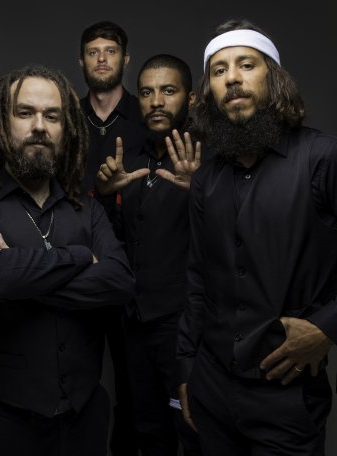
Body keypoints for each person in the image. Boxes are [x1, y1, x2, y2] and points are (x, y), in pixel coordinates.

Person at [177, 19, 337, 455]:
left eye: (246, 65)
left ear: (273, 78)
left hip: (286, 394)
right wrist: (187, 369)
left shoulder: (328, 159)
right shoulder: (206, 180)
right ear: (209, 92)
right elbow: (198, 277)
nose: (232, 78)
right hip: (211, 386)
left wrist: (329, 328)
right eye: (218, 70)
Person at [0, 64, 135, 456]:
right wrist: (82, 256)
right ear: (1, 123)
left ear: (66, 129)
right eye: (25, 113)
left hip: (84, 416)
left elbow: (120, 282)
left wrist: (20, 271)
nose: (40, 127)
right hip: (5, 420)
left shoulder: (88, 210)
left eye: (52, 116)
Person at [96, 54, 201, 455]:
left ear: (191, 98)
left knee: (193, 430)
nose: (156, 101)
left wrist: (204, 192)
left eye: (168, 90)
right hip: (135, 322)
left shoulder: (207, 161)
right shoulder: (130, 161)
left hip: (188, 327)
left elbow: (239, 241)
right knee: (148, 430)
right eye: (146, 92)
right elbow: (114, 239)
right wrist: (106, 197)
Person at [77, 21, 146, 455]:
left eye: (111, 51)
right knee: (74, 382)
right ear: (81, 61)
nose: (102, 59)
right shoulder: (65, 117)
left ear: (125, 58)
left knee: (134, 386)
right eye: (93, 52)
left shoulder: (147, 115)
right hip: (77, 267)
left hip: (135, 271)